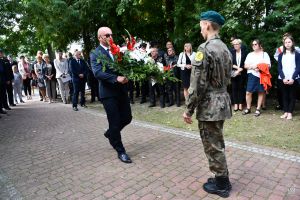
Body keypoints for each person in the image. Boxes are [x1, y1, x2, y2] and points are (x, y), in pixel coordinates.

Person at [182, 11, 232, 198]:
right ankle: (220, 176)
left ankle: (222, 184)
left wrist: (188, 109)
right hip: (221, 102)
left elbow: (197, 84)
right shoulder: (225, 47)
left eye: (202, 25)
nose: (200, 28)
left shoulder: (205, 49)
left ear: (209, 25)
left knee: (212, 144)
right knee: (216, 141)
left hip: (210, 105)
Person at [90, 27, 133, 163]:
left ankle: (110, 133)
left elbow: (124, 66)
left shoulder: (117, 50)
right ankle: (120, 151)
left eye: (111, 35)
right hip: (108, 93)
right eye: (107, 35)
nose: (110, 37)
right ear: (100, 38)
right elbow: (97, 72)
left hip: (121, 91)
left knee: (127, 117)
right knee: (114, 122)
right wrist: (115, 78)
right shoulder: (95, 53)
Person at [243, 39, 271, 117]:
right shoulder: (250, 54)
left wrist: (259, 68)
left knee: (261, 91)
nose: (254, 46)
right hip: (252, 75)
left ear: (259, 45)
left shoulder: (264, 54)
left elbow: (268, 65)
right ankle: (248, 108)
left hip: (261, 75)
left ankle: (258, 109)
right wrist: (252, 67)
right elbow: (245, 65)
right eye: (253, 44)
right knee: (248, 92)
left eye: (255, 44)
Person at [278, 35, 300, 120]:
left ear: (292, 43)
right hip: (282, 79)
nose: (287, 44)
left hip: (293, 78)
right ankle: (285, 112)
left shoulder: (297, 54)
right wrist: (283, 77)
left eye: (289, 42)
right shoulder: (280, 55)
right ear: (284, 44)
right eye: (285, 42)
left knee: (292, 96)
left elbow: (298, 67)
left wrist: (293, 78)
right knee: (284, 95)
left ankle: (290, 112)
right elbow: (279, 67)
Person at [230, 39, 247, 111]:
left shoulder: (245, 53)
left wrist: (241, 69)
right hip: (234, 73)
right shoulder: (231, 52)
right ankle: (235, 104)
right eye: (234, 44)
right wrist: (237, 69)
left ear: (240, 45)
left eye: (237, 44)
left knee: (241, 88)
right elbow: (229, 62)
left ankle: (240, 103)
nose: (235, 46)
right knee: (234, 88)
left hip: (242, 73)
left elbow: (246, 63)